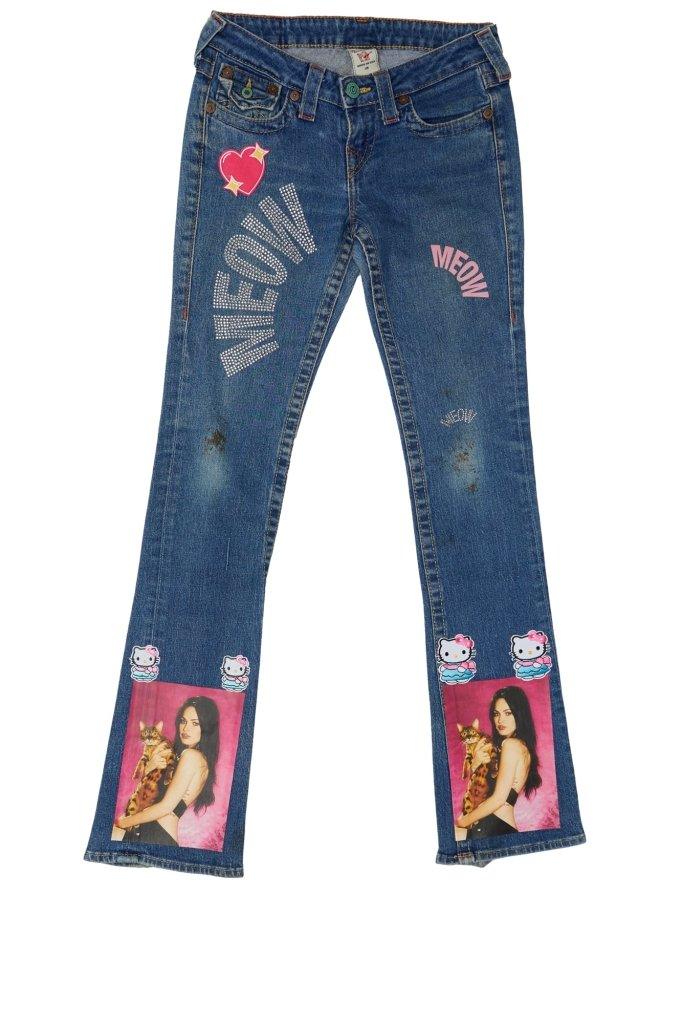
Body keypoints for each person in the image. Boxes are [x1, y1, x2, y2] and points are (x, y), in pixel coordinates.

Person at [113, 696, 219, 846]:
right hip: (152, 830)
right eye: (183, 721)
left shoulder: (191, 756)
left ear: (207, 728)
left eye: (195, 723)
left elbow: (166, 806)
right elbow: (150, 789)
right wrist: (149, 767)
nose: (185, 729)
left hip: (156, 833)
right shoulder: (191, 757)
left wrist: (124, 822)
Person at [455, 685, 542, 838]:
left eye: (508, 713)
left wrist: (463, 822)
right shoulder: (520, 747)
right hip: (496, 825)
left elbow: (499, 798)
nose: (500, 720)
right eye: (496, 714)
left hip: (494, 825)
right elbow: (481, 788)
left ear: (520, 715)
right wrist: (475, 764)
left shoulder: (511, 745)